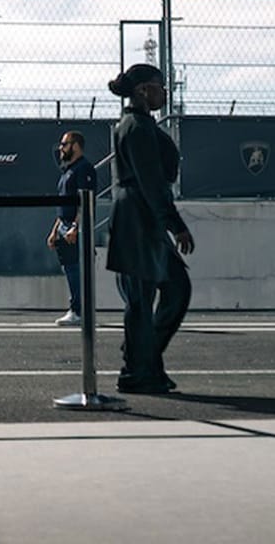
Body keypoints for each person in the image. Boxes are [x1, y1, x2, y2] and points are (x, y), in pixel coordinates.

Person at [106, 63, 195, 394]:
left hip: (142, 216)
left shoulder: (139, 124)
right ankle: (137, 370)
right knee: (143, 299)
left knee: (173, 290)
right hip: (138, 217)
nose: (164, 92)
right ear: (144, 89)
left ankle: (143, 362)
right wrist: (176, 225)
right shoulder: (137, 127)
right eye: (160, 86)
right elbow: (151, 182)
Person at [46, 130, 97, 326]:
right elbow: (64, 204)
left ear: (75, 145)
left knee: (77, 270)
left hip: (75, 229)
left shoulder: (84, 169)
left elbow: (85, 202)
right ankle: (76, 309)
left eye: (64, 144)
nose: (61, 148)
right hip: (63, 226)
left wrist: (75, 227)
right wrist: (54, 231)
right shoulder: (68, 171)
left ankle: (79, 311)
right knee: (70, 269)